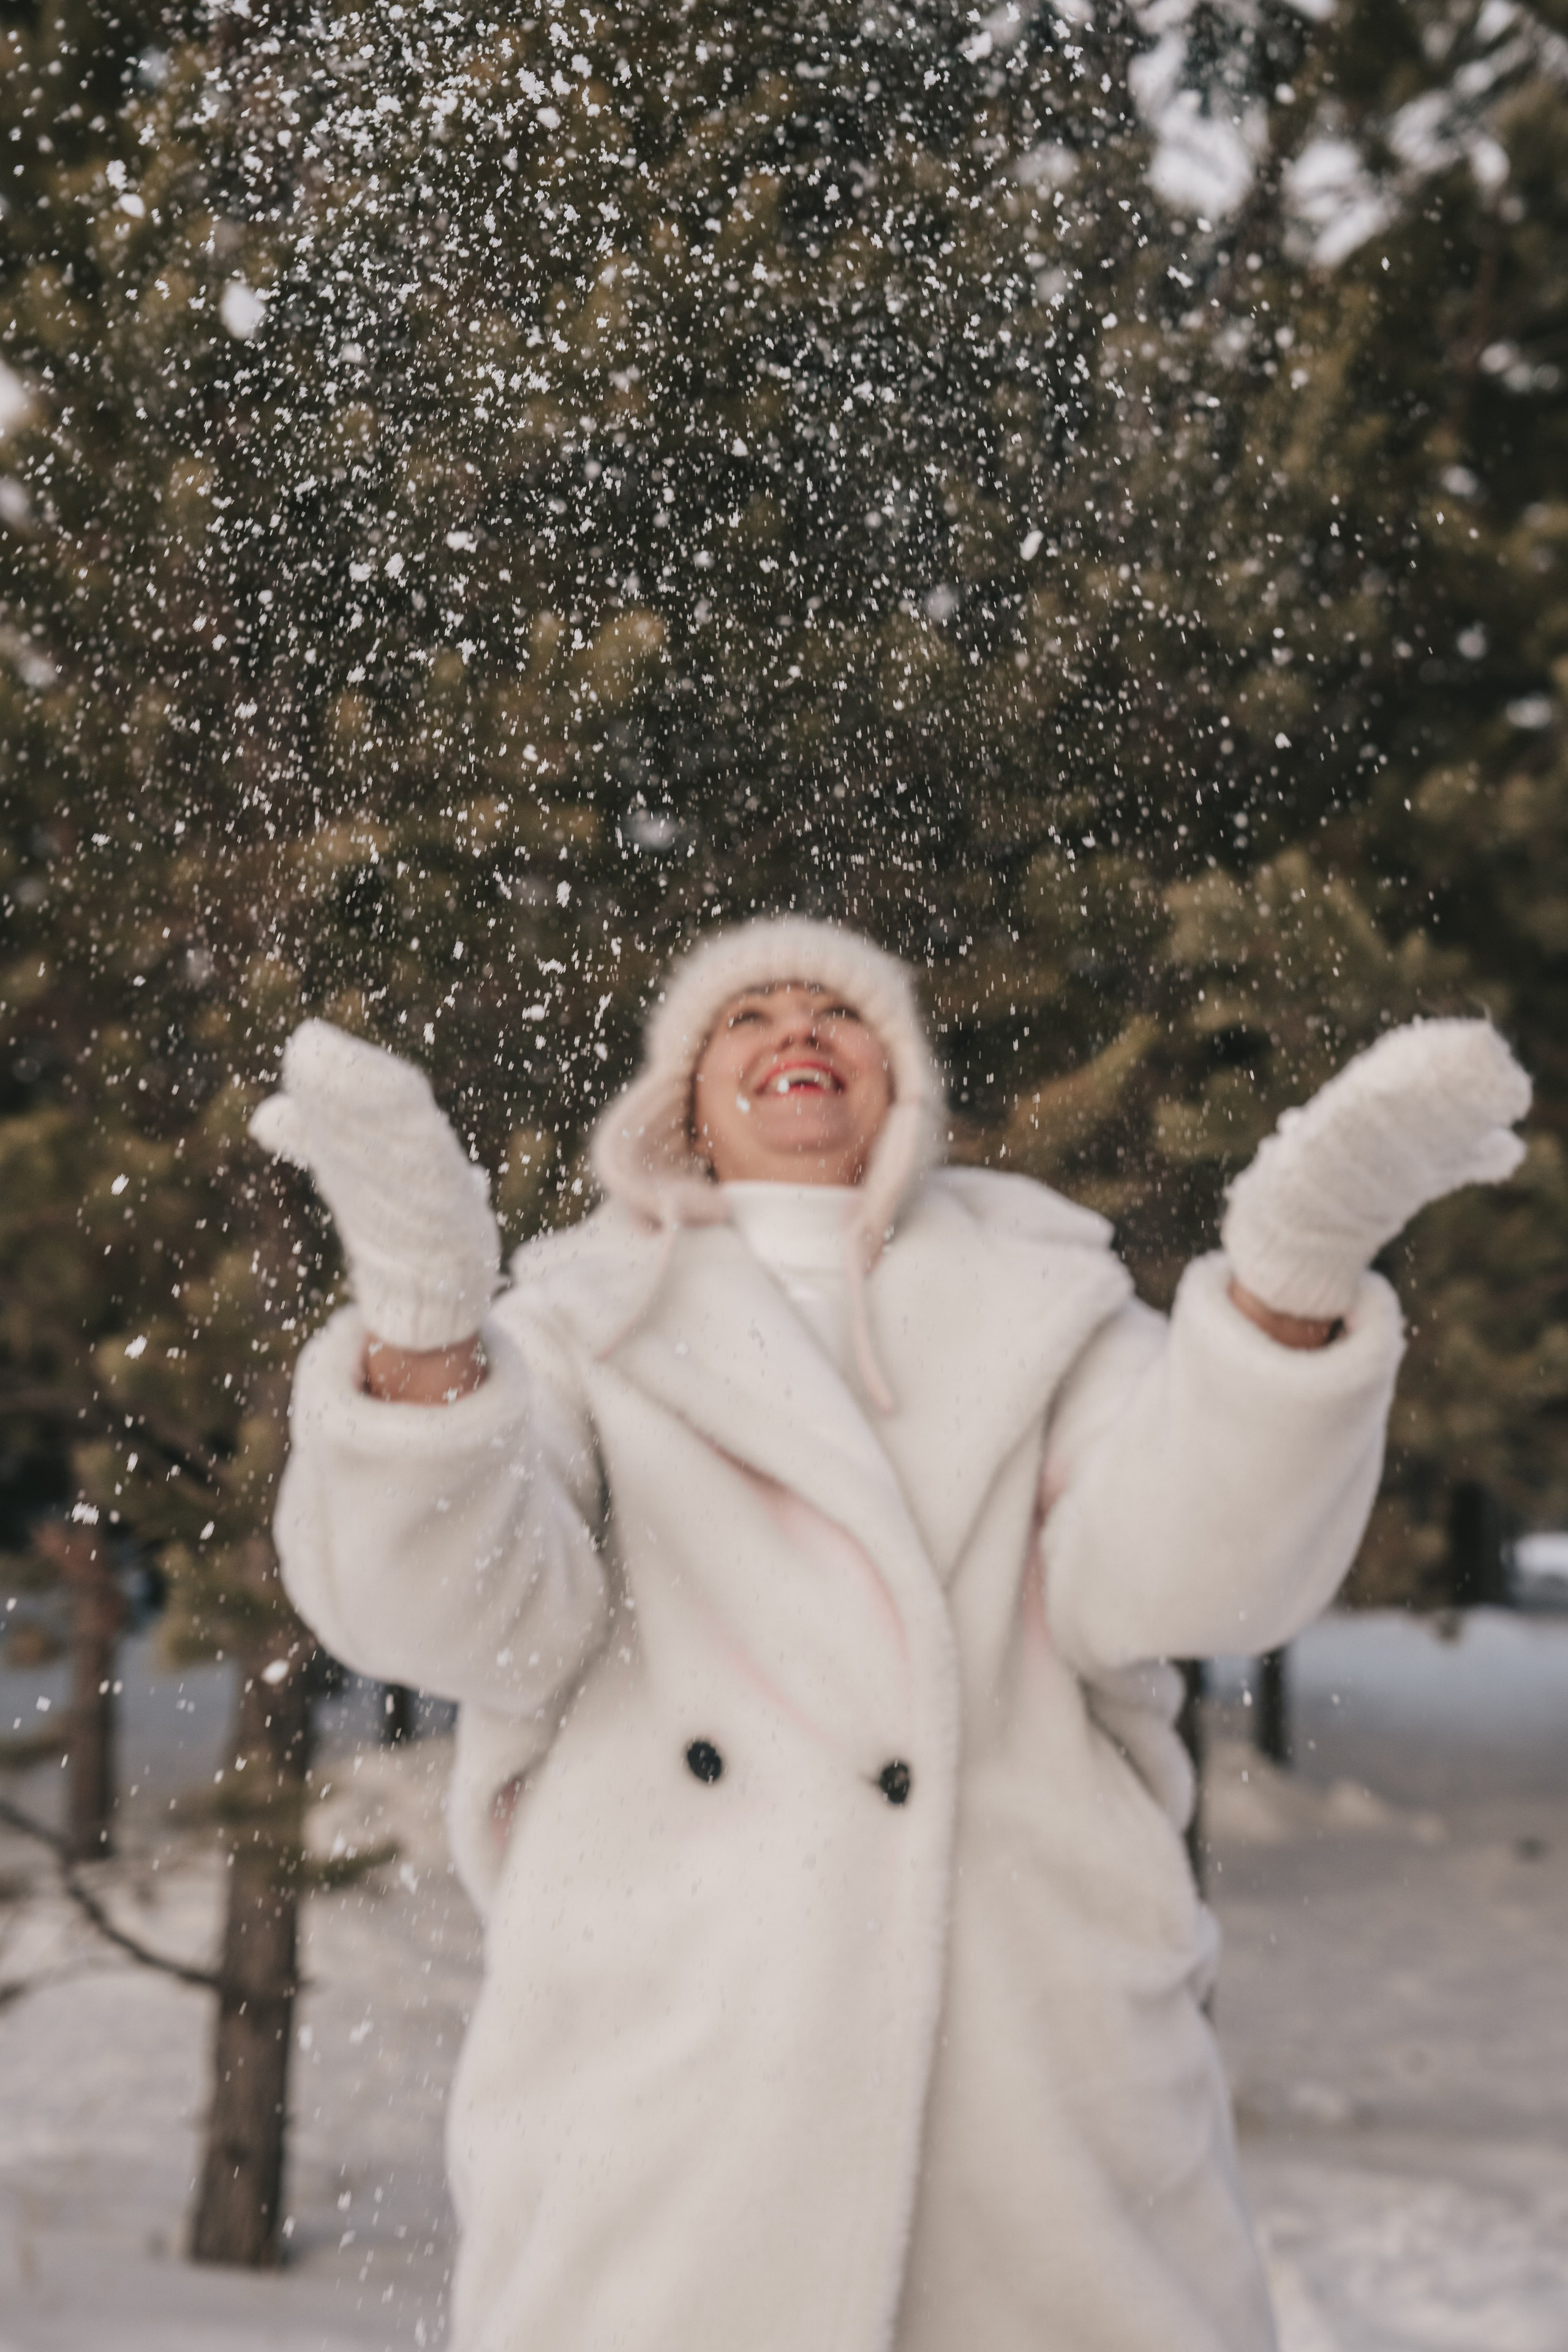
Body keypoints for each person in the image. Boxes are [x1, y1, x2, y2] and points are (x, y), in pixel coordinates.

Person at [255, 915, 1529, 2352]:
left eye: (833, 1013)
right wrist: (426, 1321)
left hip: (1024, 2084)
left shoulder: (1051, 1310)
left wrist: (1285, 1284)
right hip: (680, 2080)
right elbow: (458, 1621)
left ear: (901, 1084)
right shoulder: (571, 1322)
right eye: (746, 1019)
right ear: (680, 1103)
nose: (795, 1031)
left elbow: (1188, 1577)